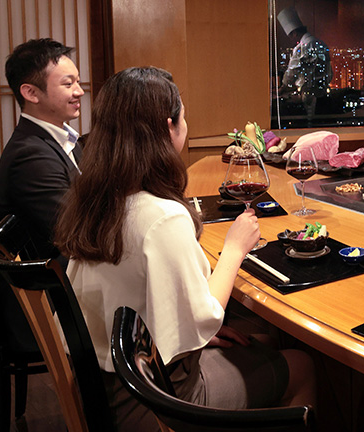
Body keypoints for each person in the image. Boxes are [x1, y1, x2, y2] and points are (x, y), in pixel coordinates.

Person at [53, 67, 315, 431]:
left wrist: (188, 320)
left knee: (263, 340)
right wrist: (235, 248)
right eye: (183, 114)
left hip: (105, 381)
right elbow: (206, 318)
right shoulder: (162, 216)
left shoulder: (97, 199)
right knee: (302, 365)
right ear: (167, 127)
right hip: (155, 400)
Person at [0, 38, 85, 258]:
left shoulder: (59, 138)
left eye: (78, 82)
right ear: (31, 93)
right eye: (68, 84)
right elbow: (76, 230)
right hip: (54, 275)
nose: (79, 91)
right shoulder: (31, 157)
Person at [278, 8, 332, 122]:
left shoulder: (302, 47)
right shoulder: (320, 43)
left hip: (308, 94)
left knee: (309, 123)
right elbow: (329, 70)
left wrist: (283, 87)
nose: (291, 40)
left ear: (295, 33)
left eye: (291, 36)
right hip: (323, 92)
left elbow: (292, 71)